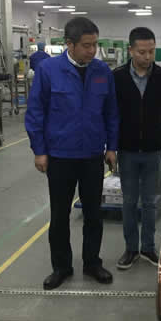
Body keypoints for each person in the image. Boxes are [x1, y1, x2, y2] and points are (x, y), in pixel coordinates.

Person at [25, 17, 119, 290]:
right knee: (59, 214)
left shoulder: (102, 71)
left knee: (93, 213)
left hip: (91, 154)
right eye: (86, 45)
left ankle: (92, 263)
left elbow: (111, 112)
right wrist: (39, 151)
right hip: (60, 155)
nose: (92, 50)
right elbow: (35, 112)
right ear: (70, 44)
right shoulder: (49, 70)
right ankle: (61, 267)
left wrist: (112, 147)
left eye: (95, 45)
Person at [112, 27, 161, 270]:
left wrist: (155, 133)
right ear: (130, 50)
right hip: (127, 151)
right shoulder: (117, 77)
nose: (147, 56)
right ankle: (131, 249)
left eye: (151, 51)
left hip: (152, 151)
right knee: (129, 202)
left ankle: (148, 248)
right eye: (142, 52)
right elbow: (112, 112)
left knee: (149, 202)